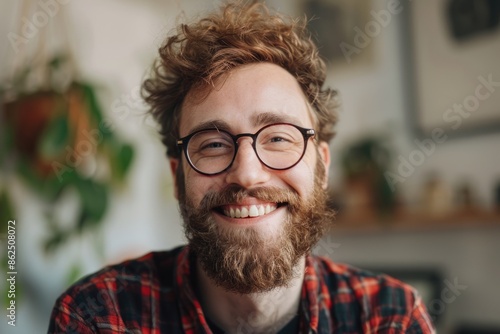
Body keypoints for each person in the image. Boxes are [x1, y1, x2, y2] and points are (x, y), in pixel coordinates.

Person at [48, 2, 435, 333]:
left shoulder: (390, 318)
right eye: (213, 145)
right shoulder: (99, 316)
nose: (247, 174)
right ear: (177, 177)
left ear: (322, 165)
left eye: (278, 138)